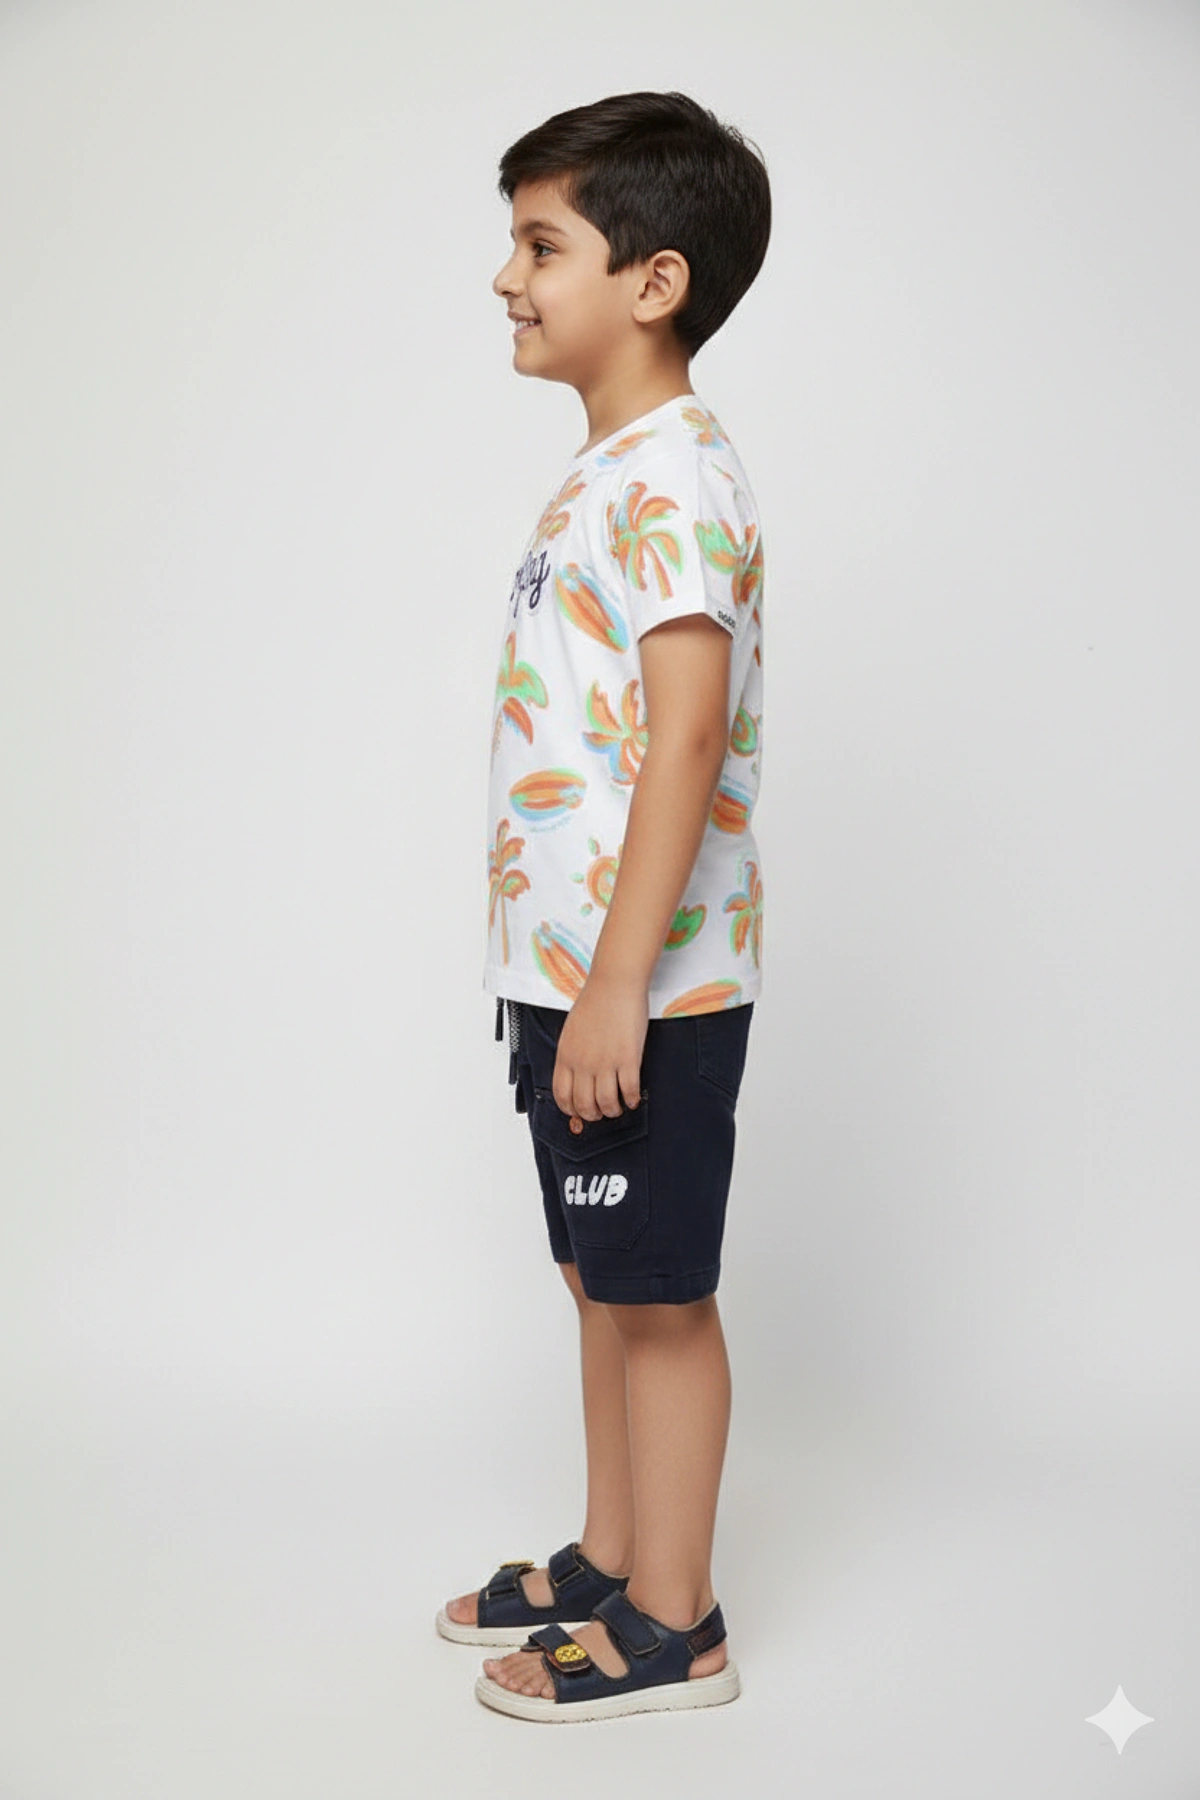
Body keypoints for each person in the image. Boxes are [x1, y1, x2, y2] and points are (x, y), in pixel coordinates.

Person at [436, 89, 771, 1723]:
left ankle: (675, 1627)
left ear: (654, 281)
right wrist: (572, 984)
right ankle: (614, 1554)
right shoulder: (610, 472)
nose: (507, 276)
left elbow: (689, 735)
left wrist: (622, 982)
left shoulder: (678, 477)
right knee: (600, 1276)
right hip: (571, 976)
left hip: (647, 986)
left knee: (659, 1296)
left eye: (540, 243)